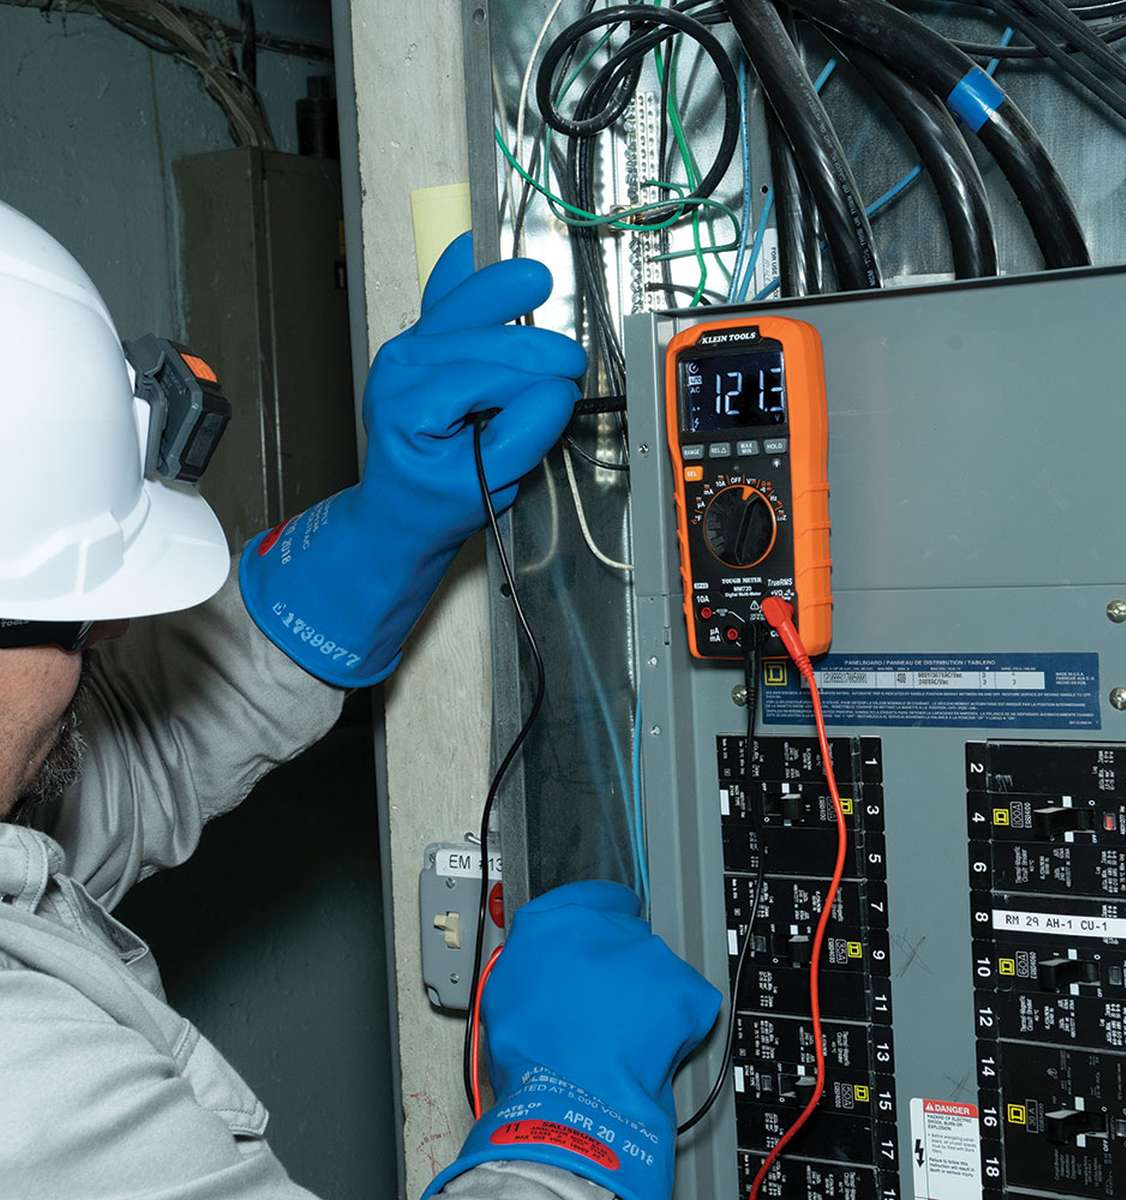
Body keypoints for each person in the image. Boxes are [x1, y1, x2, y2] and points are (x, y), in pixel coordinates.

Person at [0, 201, 719, 1200]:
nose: (114, 632)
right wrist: (570, 1131)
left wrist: (377, 542)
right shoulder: (26, 1091)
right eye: (76, 616)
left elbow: (118, 774)